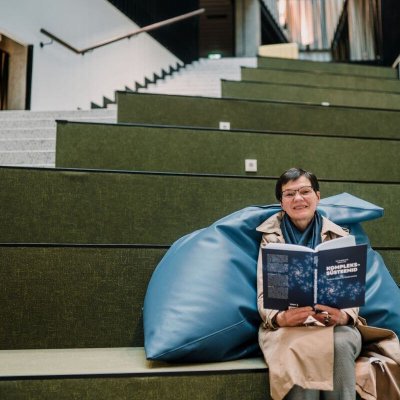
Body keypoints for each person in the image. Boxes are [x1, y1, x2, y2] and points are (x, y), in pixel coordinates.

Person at [256, 167, 362, 400]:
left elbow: (352, 292)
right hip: (287, 326)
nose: (298, 199)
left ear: (317, 196)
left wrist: (343, 317)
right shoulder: (270, 238)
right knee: (301, 346)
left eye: (305, 191)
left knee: (341, 342)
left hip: (333, 324)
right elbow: (264, 295)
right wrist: (280, 318)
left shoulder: (340, 237)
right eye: (289, 194)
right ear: (281, 202)